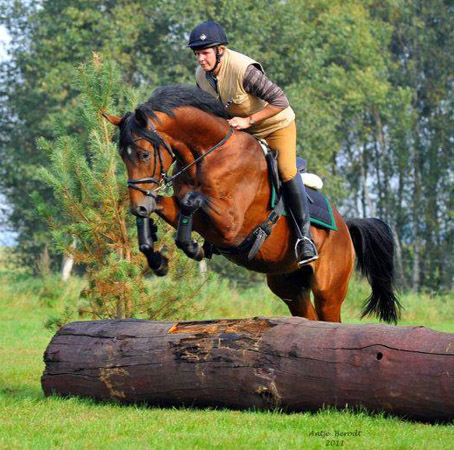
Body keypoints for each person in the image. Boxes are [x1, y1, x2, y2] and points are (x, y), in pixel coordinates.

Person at [189, 21, 318, 265]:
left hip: (275, 126)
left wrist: (249, 120)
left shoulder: (243, 69)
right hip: (242, 131)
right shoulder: (201, 77)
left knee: (287, 171)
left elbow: (281, 100)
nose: (201, 59)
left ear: (221, 51)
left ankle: (304, 237)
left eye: (205, 52)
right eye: (197, 53)